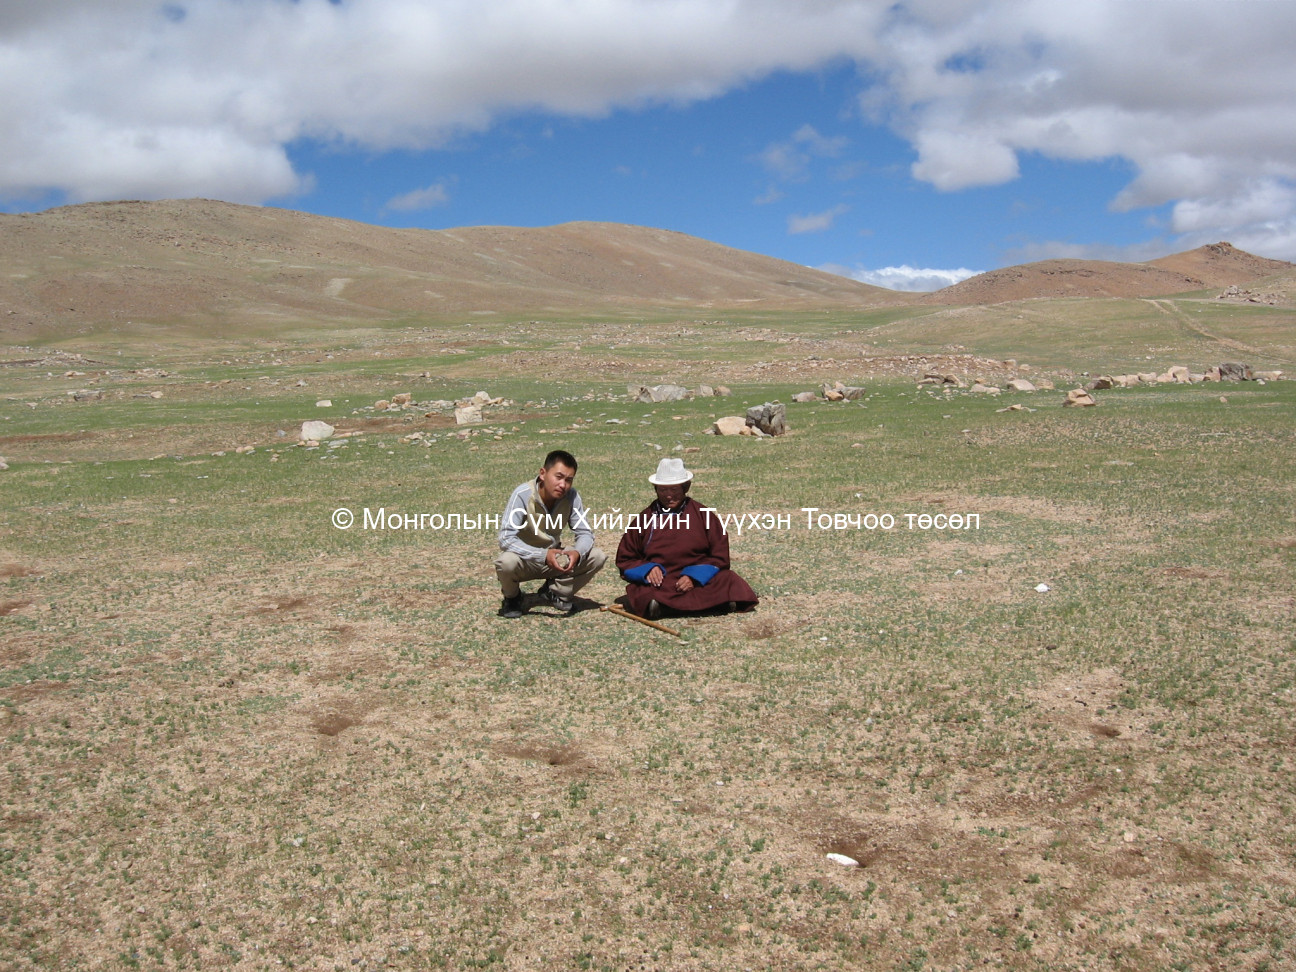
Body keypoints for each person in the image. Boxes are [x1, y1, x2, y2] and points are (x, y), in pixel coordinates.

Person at [615, 457, 758, 619]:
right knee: (643, 591)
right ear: (656, 489)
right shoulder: (645, 518)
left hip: (699, 580)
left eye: (674, 490)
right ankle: (717, 604)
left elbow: (720, 557)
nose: (668, 495)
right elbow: (625, 560)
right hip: (663, 582)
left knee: (728, 579)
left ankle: (664, 608)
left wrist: (694, 576)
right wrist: (647, 569)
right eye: (663, 490)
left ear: (685, 488)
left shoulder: (703, 514)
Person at [496, 449, 607, 618]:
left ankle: (554, 592)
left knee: (597, 556)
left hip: (555, 559)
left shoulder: (572, 496)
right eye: (559, 477)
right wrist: (542, 555)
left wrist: (576, 552)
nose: (563, 485)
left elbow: (585, 533)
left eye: (569, 480)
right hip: (526, 559)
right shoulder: (522, 494)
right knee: (506, 562)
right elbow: (505, 538)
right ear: (543, 473)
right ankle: (513, 598)